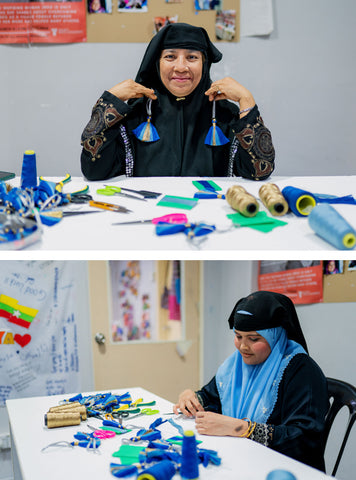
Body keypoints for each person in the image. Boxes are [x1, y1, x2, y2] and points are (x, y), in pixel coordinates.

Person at [80, 23, 275, 180]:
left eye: (191, 57)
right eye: (170, 57)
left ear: (204, 64)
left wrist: (246, 101)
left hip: (212, 216)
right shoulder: (133, 115)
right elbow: (94, 171)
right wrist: (109, 102)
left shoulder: (227, 115)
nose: (181, 67)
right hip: (147, 217)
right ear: (157, 63)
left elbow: (260, 172)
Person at [173, 291, 329, 471]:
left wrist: (242, 428)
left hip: (286, 470)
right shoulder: (236, 365)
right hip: (243, 461)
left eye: (253, 339)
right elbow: (212, 397)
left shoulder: (302, 371)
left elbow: (303, 438)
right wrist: (192, 398)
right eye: (238, 336)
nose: (243, 347)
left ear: (276, 336)